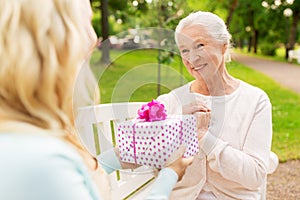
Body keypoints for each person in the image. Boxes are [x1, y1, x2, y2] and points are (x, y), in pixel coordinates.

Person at [0, 0, 193, 200]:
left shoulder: (22, 143)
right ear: (53, 41)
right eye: (86, 22)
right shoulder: (43, 164)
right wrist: (170, 174)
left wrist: (119, 156)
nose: (94, 39)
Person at [157, 11, 273, 199]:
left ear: (223, 46)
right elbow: (154, 165)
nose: (192, 59)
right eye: (184, 50)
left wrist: (204, 137)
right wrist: (175, 127)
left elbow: (255, 176)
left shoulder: (255, 100)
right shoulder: (171, 102)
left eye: (200, 45)